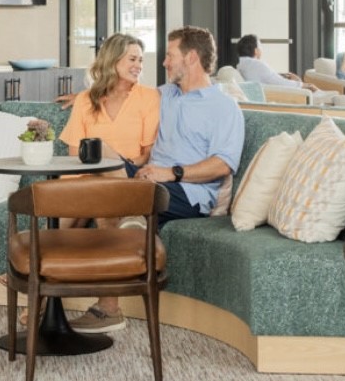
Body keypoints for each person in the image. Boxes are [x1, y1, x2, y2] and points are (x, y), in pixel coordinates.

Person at [72, 26, 244, 334]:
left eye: (169, 55)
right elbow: (119, 92)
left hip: (187, 191)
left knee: (106, 197)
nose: (163, 63)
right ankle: (134, 226)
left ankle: (107, 304)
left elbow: (223, 164)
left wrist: (172, 172)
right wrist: (84, 98)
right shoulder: (163, 95)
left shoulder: (224, 107)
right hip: (144, 179)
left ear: (191, 58)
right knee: (100, 156)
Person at [57, 33, 161, 333]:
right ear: (113, 60)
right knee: (92, 206)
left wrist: (109, 168)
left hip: (126, 176)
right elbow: (76, 154)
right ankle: (106, 309)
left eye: (141, 59)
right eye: (132, 59)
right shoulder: (87, 100)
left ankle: (30, 282)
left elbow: (143, 156)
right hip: (86, 180)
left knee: (99, 155)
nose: (139, 65)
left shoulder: (148, 98)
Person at [236, 34, 310, 89]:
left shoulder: (241, 65)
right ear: (256, 51)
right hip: (277, 96)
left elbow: (270, 78)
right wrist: (301, 84)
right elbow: (280, 83)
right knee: (314, 89)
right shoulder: (258, 65)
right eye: (260, 47)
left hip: (270, 92)